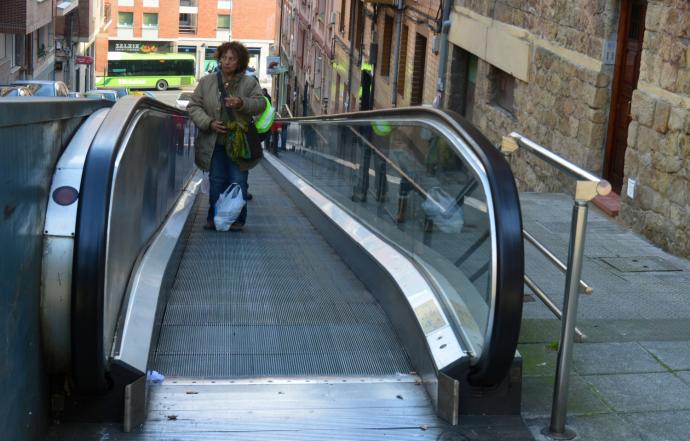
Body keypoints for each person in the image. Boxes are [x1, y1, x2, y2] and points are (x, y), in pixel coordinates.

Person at [188, 41, 265, 231]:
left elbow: (261, 104)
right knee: (216, 182)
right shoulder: (207, 82)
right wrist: (209, 122)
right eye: (224, 58)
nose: (227, 62)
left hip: (239, 144)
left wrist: (241, 103)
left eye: (232, 59)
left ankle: (237, 220)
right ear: (219, 59)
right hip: (214, 143)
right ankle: (214, 217)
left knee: (238, 181)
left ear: (240, 62)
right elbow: (193, 106)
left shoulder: (249, 82)